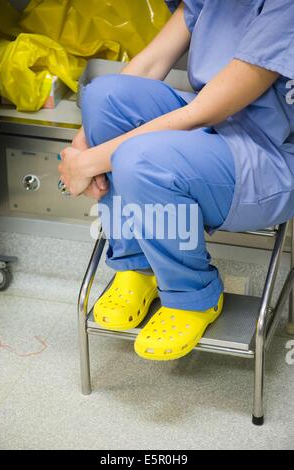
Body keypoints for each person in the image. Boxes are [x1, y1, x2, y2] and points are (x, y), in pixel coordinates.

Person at [59, 0, 294, 361]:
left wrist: (88, 162)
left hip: (269, 156)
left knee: (140, 160)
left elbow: (206, 109)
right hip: (214, 125)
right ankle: (137, 266)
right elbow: (149, 64)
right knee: (104, 96)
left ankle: (193, 295)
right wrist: (82, 141)